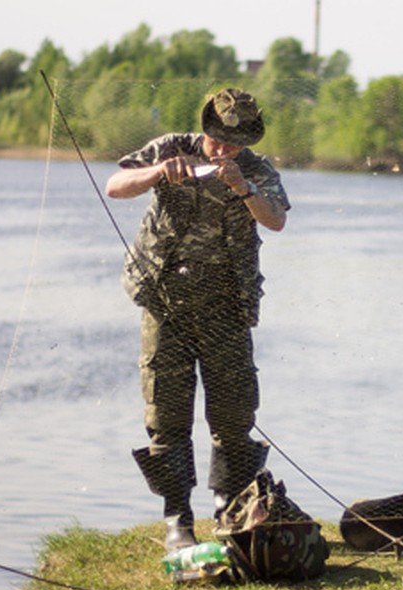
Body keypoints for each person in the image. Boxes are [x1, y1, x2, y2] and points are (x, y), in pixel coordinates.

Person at [105, 88, 290, 551]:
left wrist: (241, 187)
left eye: (234, 142)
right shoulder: (171, 146)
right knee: (165, 412)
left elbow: (276, 221)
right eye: (216, 140)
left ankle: (231, 509)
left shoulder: (256, 168)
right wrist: (156, 173)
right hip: (164, 298)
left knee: (233, 412)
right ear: (205, 129)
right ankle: (177, 519)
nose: (223, 149)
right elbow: (114, 186)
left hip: (227, 304)